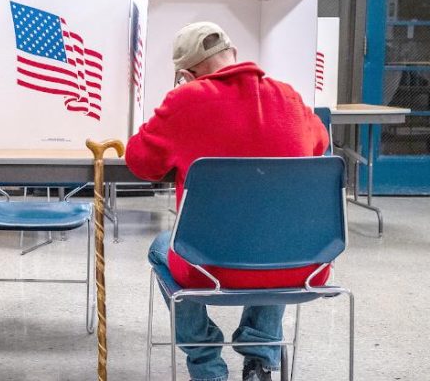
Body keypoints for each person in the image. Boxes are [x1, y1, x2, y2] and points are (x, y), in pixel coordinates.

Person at [126, 22, 329, 381]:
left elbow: (141, 162)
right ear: (233, 54)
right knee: (271, 240)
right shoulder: (290, 97)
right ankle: (260, 361)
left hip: (208, 267)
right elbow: (319, 146)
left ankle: (206, 367)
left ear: (187, 75)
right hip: (301, 264)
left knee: (162, 246)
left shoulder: (185, 100)